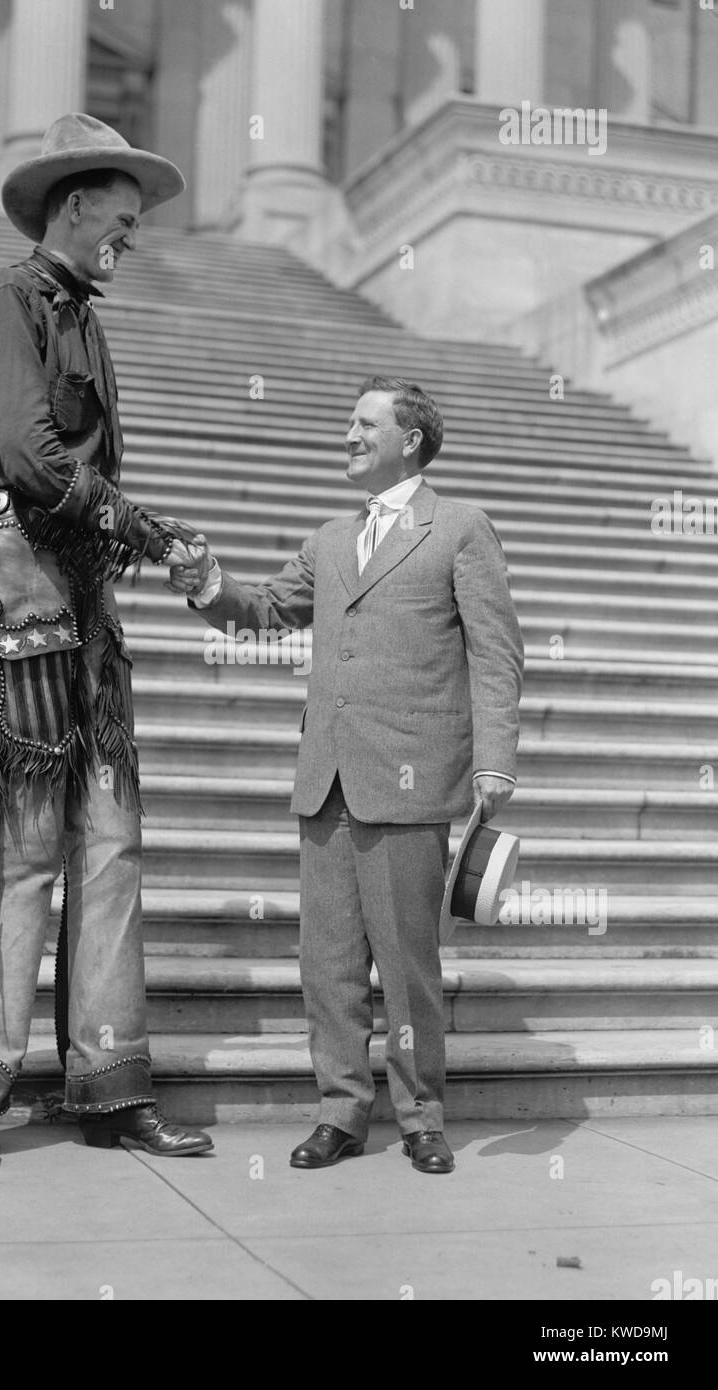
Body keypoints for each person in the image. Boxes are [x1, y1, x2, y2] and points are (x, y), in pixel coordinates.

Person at [0, 114, 213, 1165]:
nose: (131, 238)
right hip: (25, 588)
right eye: (121, 220)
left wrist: (140, 526)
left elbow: (73, 470)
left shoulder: (85, 314)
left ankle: (113, 1084)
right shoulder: (9, 297)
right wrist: (131, 520)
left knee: (111, 846)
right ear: (73, 205)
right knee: (24, 851)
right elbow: (32, 457)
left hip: (83, 598)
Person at [172, 379, 524, 1174]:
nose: (347, 434)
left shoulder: (461, 528)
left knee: (406, 966)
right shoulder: (331, 538)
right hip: (326, 776)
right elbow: (262, 610)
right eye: (348, 423)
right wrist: (204, 578)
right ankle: (339, 1111)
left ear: (410, 439)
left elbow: (495, 650)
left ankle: (420, 1115)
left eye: (364, 424)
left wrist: (494, 755)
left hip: (410, 777)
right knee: (325, 962)